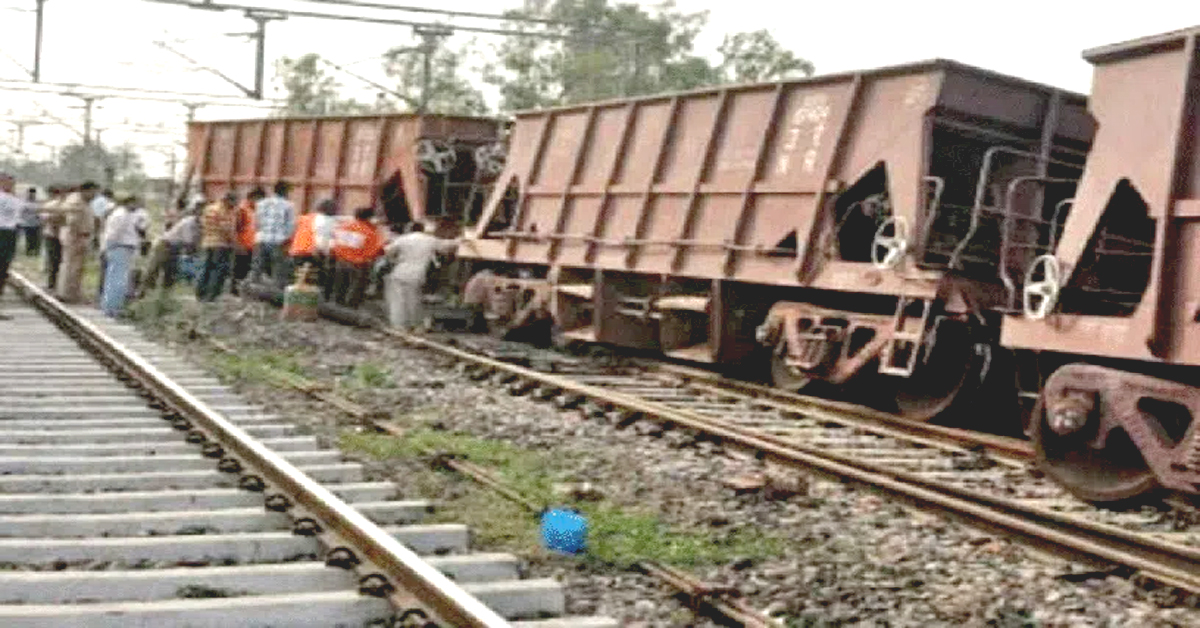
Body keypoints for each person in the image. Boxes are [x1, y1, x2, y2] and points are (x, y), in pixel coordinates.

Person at [382, 222, 461, 329]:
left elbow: (388, 251)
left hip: (400, 272)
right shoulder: (429, 240)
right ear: (422, 229)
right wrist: (460, 240)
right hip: (418, 274)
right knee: (414, 300)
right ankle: (414, 323)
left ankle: (398, 324)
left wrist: (394, 259)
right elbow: (446, 246)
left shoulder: (403, 239)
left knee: (398, 300)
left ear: (409, 229)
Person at [98, 196, 147, 317]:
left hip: (120, 248)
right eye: (136, 203)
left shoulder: (125, 214)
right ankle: (113, 307)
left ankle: (109, 306)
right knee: (118, 279)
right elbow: (113, 234)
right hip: (120, 247)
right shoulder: (121, 215)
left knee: (114, 277)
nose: (137, 206)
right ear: (129, 203)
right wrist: (107, 247)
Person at [329, 207, 386, 308]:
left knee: (340, 287)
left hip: (340, 262)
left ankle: (337, 309)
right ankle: (350, 311)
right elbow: (376, 251)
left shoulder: (343, 226)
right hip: (358, 264)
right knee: (355, 290)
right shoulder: (369, 232)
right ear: (369, 217)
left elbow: (334, 243)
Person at [141, 206, 199, 295]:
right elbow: (188, 242)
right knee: (155, 269)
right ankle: (145, 292)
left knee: (170, 271)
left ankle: (164, 294)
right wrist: (193, 253)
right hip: (165, 244)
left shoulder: (196, 223)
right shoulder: (188, 222)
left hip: (174, 246)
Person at [58, 182, 99, 304]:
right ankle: (67, 294)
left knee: (77, 267)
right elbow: (72, 221)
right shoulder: (76, 202)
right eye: (93, 192)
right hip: (75, 236)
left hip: (80, 236)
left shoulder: (84, 202)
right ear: (86, 191)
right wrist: (78, 235)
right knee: (71, 266)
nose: (95, 195)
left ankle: (73, 293)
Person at [195, 192, 238, 302]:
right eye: (234, 202)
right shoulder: (224, 211)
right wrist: (234, 243)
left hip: (207, 243)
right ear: (228, 200)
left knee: (206, 269)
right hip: (220, 244)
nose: (235, 205)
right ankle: (212, 296)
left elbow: (202, 224)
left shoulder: (209, 208)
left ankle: (200, 294)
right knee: (218, 270)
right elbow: (226, 229)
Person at [251, 181, 296, 289]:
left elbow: (255, 223)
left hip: (261, 239)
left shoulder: (261, 203)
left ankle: (252, 289)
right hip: (278, 241)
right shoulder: (289, 205)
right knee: (278, 269)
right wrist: (288, 240)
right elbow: (290, 226)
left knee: (257, 267)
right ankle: (275, 292)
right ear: (285, 192)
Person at [231, 188, 263, 296]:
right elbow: (235, 228)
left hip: (251, 246)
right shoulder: (242, 210)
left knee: (247, 270)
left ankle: (242, 291)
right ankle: (235, 291)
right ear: (252, 198)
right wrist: (238, 245)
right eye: (258, 199)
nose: (259, 202)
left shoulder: (254, 210)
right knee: (239, 269)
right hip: (242, 246)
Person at [39, 185, 67, 292]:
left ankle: (60, 284)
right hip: (51, 235)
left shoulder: (68, 206)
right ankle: (51, 283)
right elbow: (43, 217)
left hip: (64, 236)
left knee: (62, 260)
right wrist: (53, 217)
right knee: (52, 260)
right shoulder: (50, 205)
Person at [0, 173, 22, 299]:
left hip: (9, 233)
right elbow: (30, 208)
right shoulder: (8, 199)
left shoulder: (11, 198)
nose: (12, 186)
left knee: (4, 267)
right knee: (2, 267)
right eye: (9, 183)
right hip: (4, 233)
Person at [19, 187, 40, 257]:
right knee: (28, 239)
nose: (31, 195)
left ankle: (35, 252)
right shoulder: (23, 203)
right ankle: (28, 252)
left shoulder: (37, 203)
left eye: (33, 193)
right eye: (30, 193)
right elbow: (21, 213)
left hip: (36, 224)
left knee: (35, 239)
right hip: (26, 224)